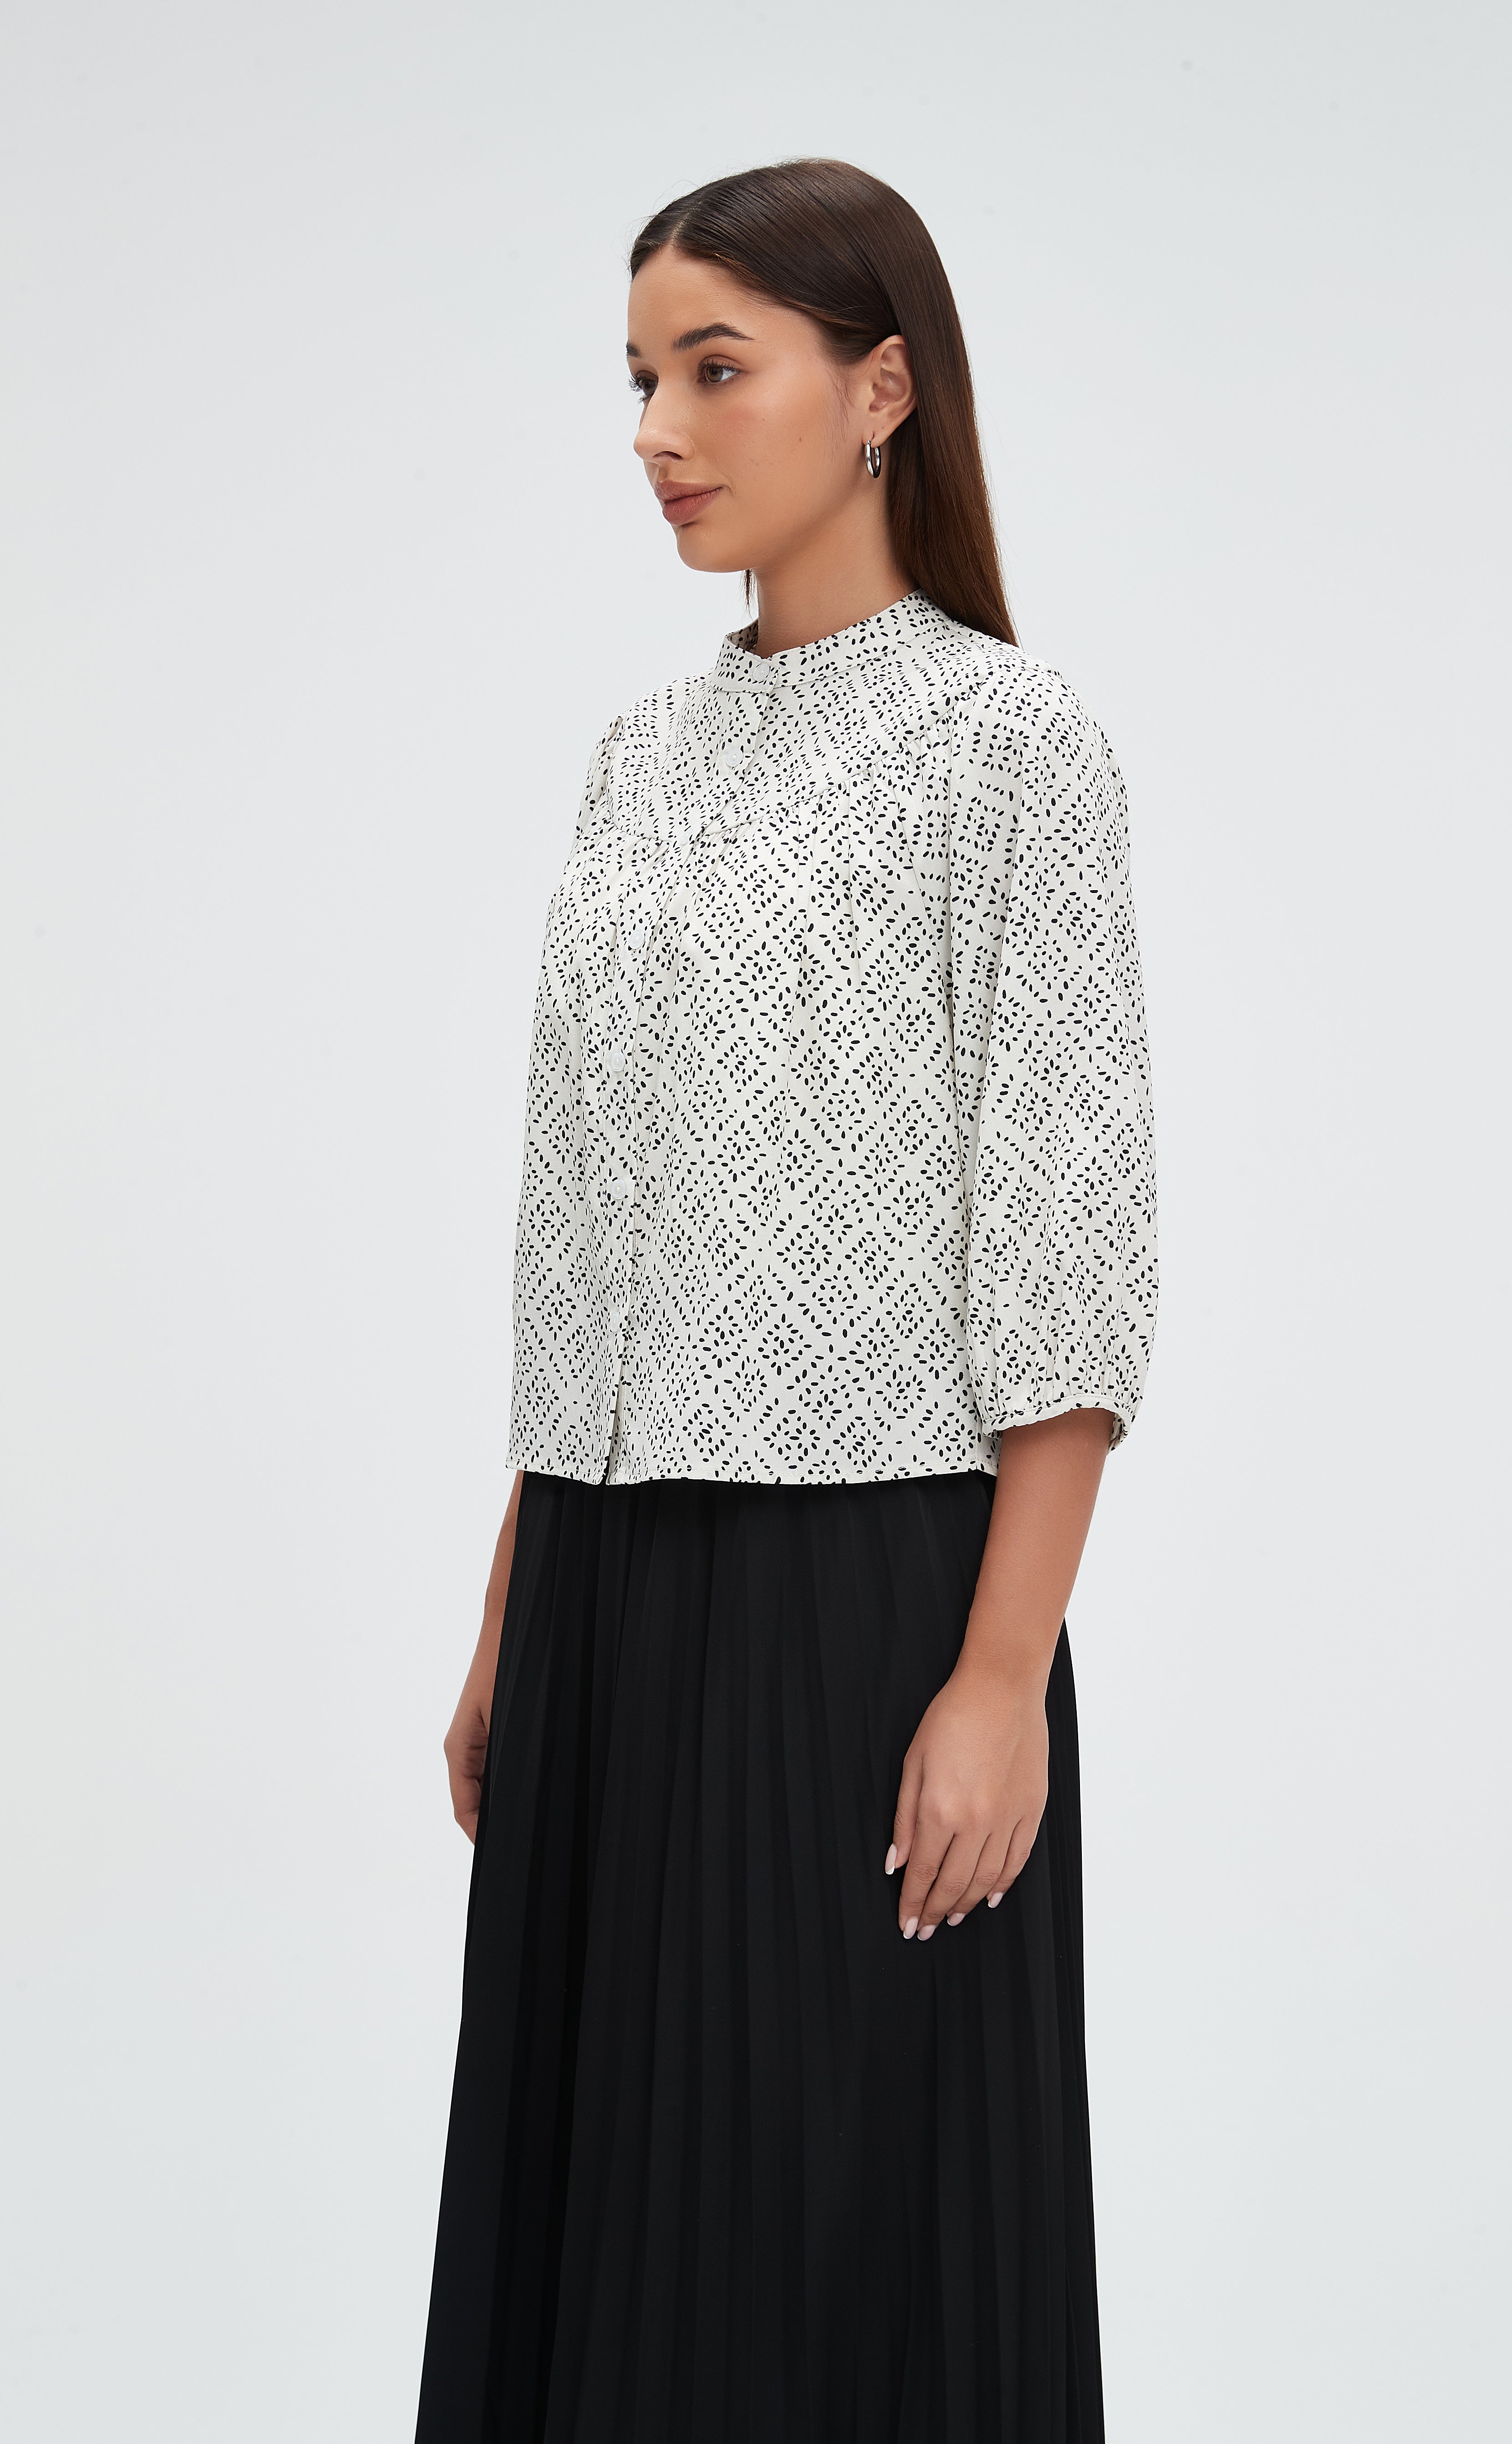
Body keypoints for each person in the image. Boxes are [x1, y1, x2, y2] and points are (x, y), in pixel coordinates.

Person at [414, 158, 1157, 2444]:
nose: (658, 430)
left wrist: (1001, 1676)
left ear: (882, 389)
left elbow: (1067, 1243)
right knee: (596, 2241)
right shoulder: (636, 756)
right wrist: (513, 1609)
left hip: (863, 1598)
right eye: (641, 378)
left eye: (715, 369)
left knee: (829, 2242)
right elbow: (588, 1218)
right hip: (608, 1581)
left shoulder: (1009, 743)